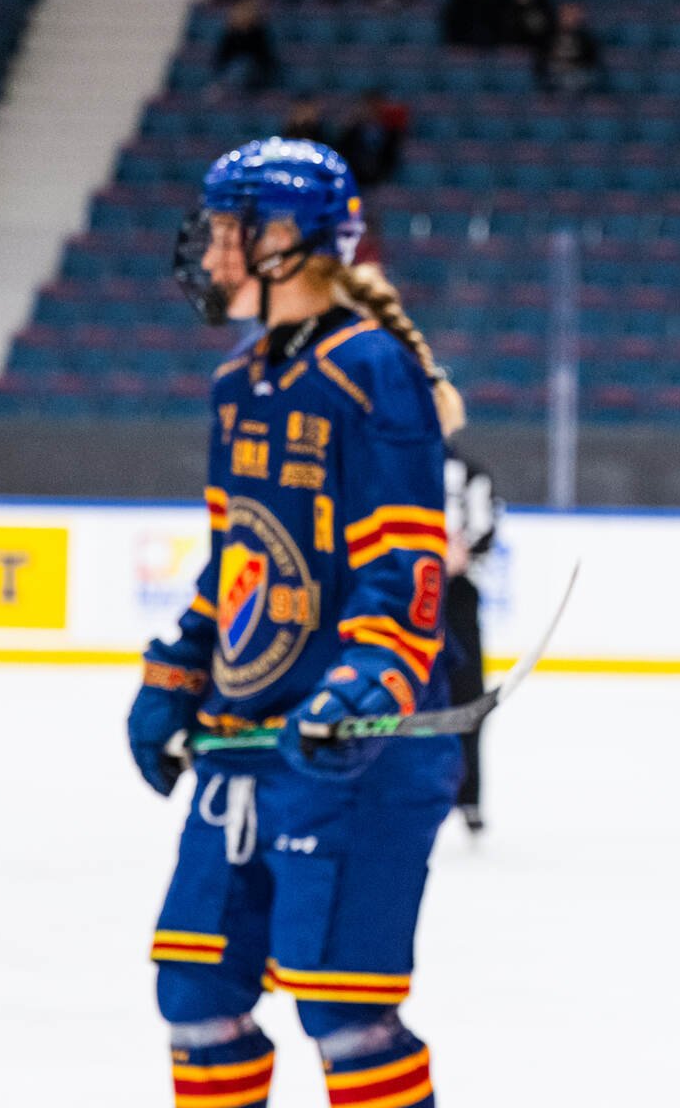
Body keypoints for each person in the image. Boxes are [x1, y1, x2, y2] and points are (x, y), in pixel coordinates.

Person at [130, 139, 465, 1108]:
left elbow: (407, 569)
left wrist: (363, 686)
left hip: (360, 753)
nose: (209, 251)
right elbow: (236, 560)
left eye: (225, 230)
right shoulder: (237, 384)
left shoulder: (371, 370)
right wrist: (177, 671)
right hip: (245, 744)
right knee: (195, 996)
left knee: (345, 1016)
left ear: (285, 239)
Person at [443, 449, 503, 833]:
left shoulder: (469, 471)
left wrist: (463, 549)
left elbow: (485, 530)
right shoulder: (386, 458)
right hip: (402, 593)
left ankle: (468, 795)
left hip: (456, 596)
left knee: (467, 696)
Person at [535, 2, 604, 93]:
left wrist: (573, 65)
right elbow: (541, 59)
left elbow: (591, 60)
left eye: (572, 16)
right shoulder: (548, 36)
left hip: (578, 73)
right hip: (555, 73)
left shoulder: (586, 38)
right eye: (566, 15)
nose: (569, 19)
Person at [212, 0, 276, 93]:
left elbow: (264, 59)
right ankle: (227, 89)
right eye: (239, 13)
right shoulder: (230, 34)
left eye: (245, 13)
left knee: (244, 64)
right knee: (237, 66)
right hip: (232, 72)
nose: (242, 15)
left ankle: (228, 89)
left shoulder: (259, 33)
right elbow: (222, 58)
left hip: (254, 73)